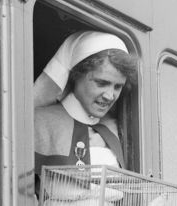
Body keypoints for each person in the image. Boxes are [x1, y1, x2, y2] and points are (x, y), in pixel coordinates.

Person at [33, 31, 138, 172]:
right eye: (101, 83)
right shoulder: (38, 120)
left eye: (118, 87)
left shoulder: (115, 129)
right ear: (76, 75)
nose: (109, 96)